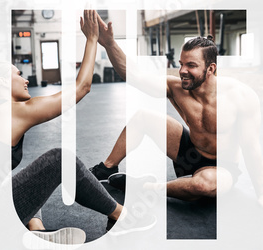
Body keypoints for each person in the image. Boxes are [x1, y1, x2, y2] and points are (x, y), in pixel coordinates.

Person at [0, 10, 125, 244]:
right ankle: (122, 216)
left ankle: (36, 232)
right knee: (58, 160)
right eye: (19, 74)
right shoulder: (8, 113)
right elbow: (81, 88)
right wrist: (93, 39)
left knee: (14, 179)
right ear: (3, 81)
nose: (26, 80)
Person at [89, 15, 263, 204]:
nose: (182, 71)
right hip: (189, 150)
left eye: (191, 65)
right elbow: (134, 76)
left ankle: (144, 187)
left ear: (211, 69)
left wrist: (261, 195)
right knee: (142, 117)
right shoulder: (176, 87)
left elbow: (252, 149)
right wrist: (109, 44)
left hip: (222, 167)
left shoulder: (240, 97)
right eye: (181, 64)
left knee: (203, 185)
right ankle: (106, 168)